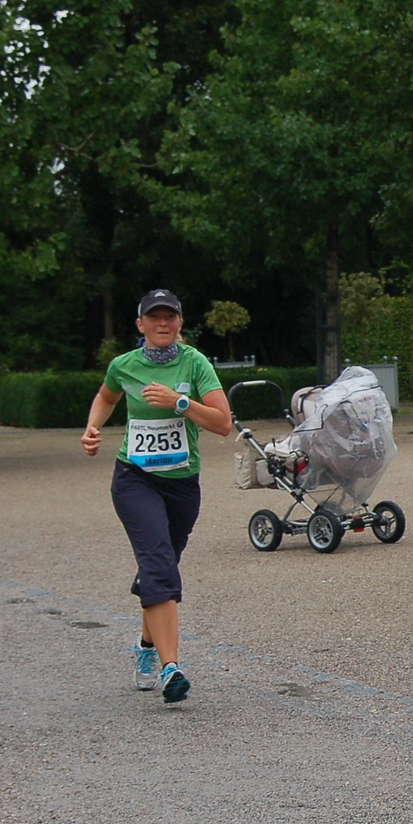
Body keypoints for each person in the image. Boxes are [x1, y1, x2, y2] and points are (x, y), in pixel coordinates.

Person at [81, 290, 232, 704]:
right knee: (159, 564)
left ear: (180, 323)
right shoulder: (124, 366)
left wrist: (180, 402)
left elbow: (223, 424)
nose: (162, 324)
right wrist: (93, 427)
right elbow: (106, 396)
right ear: (140, 325)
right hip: (135, 478)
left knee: (160, 565)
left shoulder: (195, 363)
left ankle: (146, 646)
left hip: (182, 483)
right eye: (154, 317)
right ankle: (170, 668)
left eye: (170, 317)